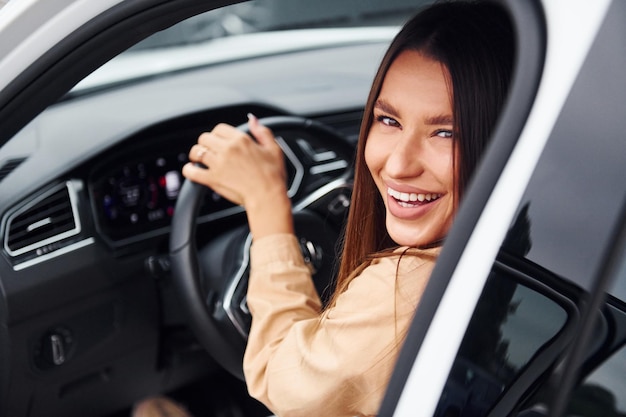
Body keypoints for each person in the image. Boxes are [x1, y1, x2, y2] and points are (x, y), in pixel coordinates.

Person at [133, 1, 514, 416]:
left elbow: (283, 383)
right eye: (388, 121)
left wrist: (267, 208)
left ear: (502, 135)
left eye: (446, 133)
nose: (399, 165)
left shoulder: (407, 287)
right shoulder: (512, 253)